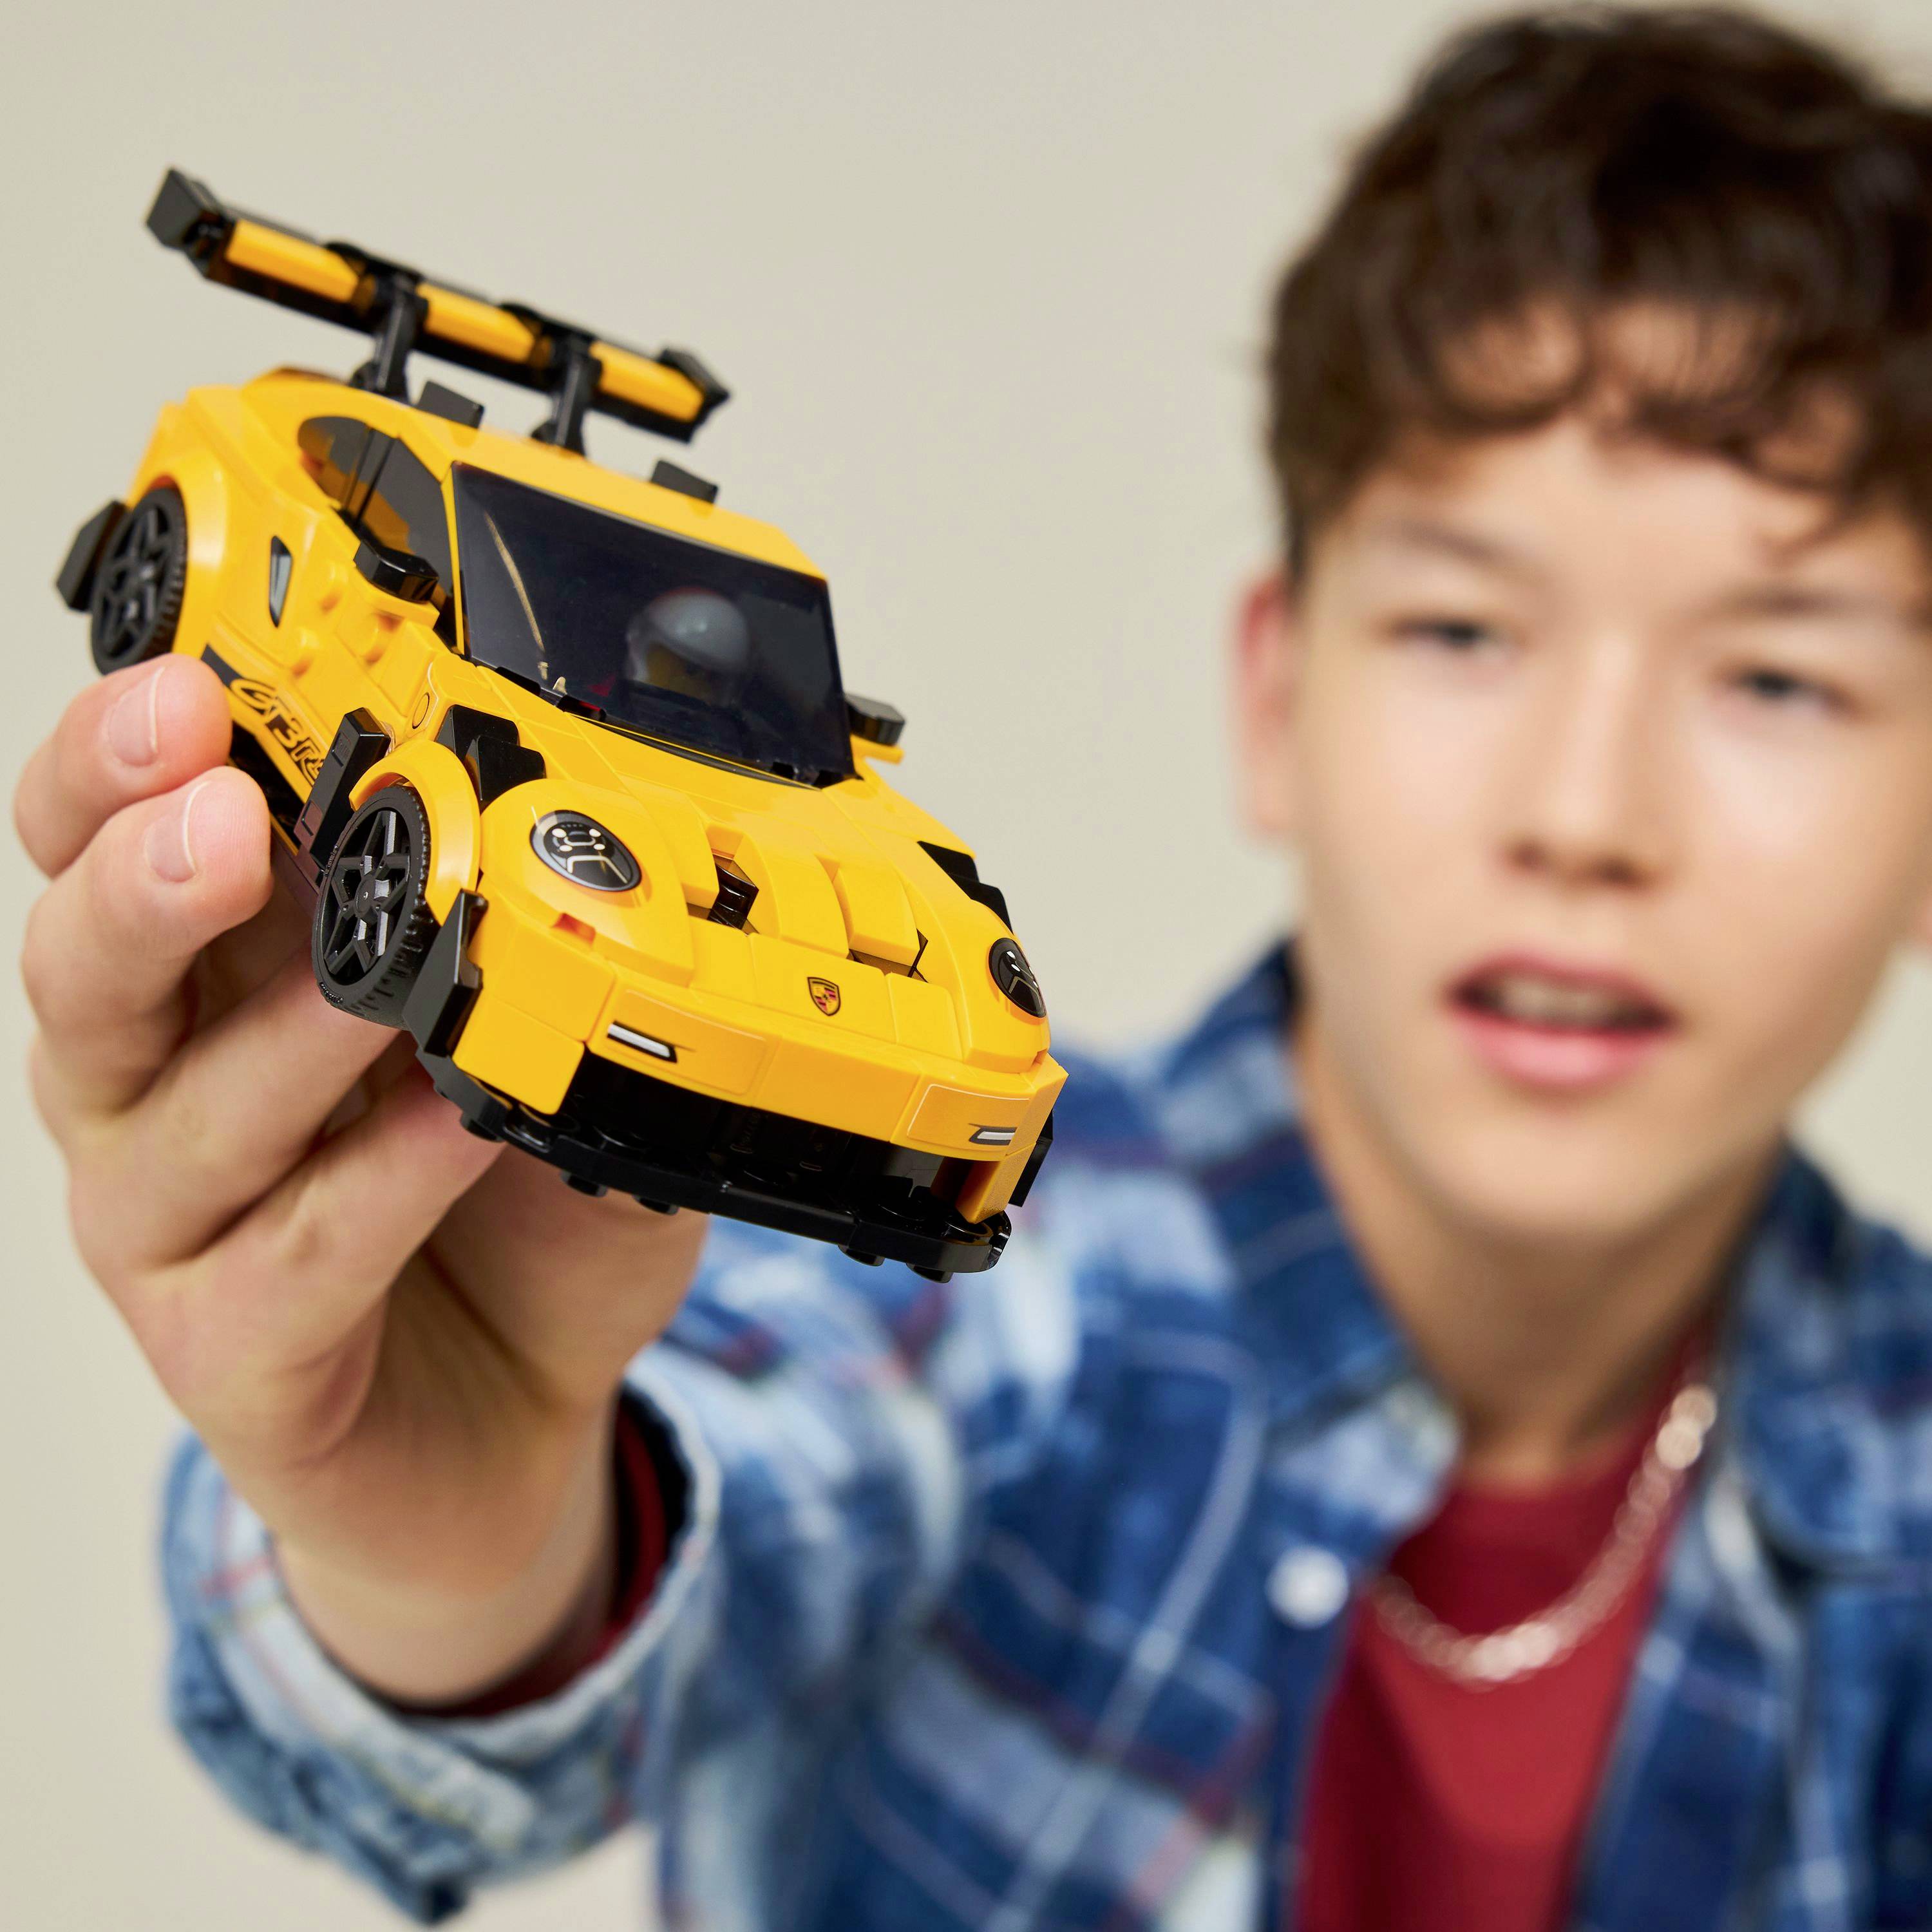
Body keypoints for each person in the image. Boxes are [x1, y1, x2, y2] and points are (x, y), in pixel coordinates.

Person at [21, 6, 1932, 1927]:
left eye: (1777, 675)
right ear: (1277, 691)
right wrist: (462, 1547)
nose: (1586, 813)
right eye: (1462, 629)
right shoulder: (1013, 1312)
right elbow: (763, 1421)